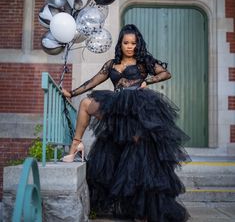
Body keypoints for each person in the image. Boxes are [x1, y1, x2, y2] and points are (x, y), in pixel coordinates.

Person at [62, 24, 190, 221]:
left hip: (138, 108)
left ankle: (142, 207)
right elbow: (93, 81)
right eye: (126, 43)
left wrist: (149, 81)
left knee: (137, 152)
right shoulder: (111, 64)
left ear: (137, 44)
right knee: (86, 103)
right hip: (116, 107)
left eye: (133, 43)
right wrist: (72, 93)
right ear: (120, 44)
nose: (129, 46)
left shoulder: (143, 62)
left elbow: (166, 73)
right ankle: (75, 143)